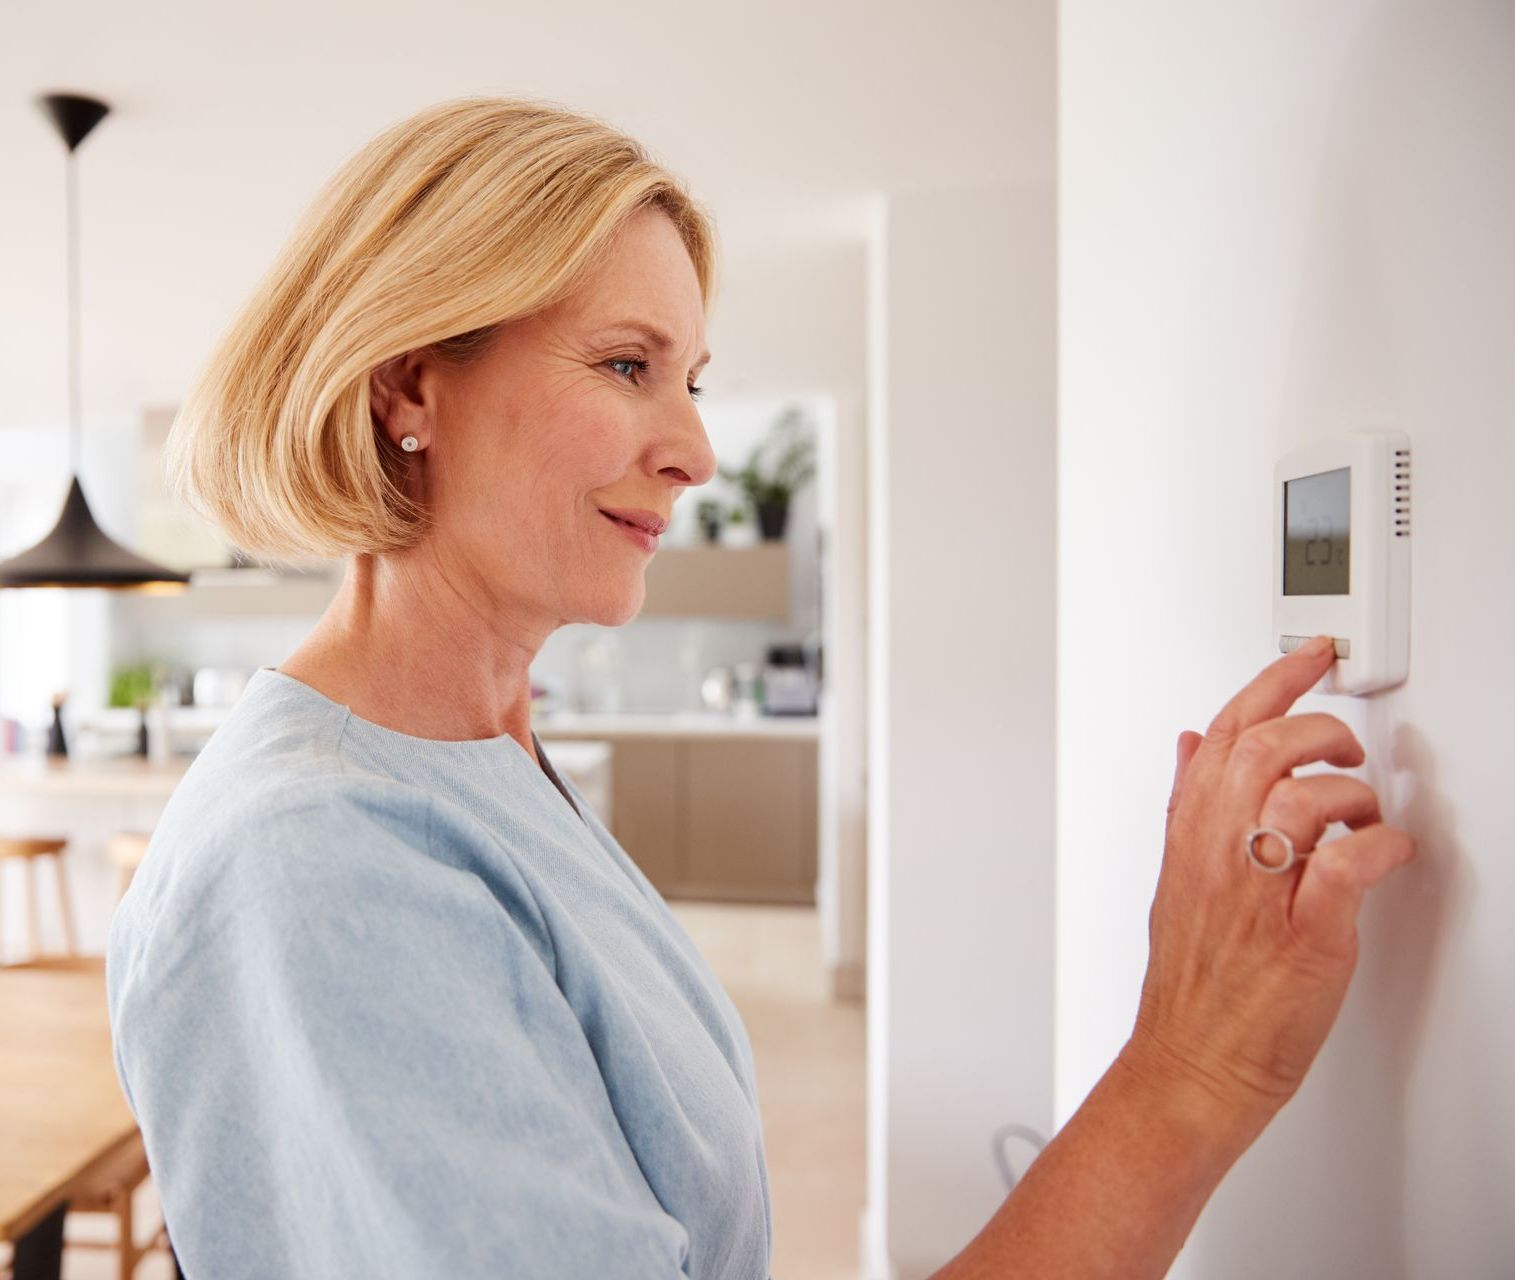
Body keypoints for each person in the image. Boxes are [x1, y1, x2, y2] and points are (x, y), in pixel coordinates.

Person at [106, 96, 1415, 1280]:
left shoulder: (480, 755)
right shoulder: (325, 860)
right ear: (409, 388)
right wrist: (1189, 1072)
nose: (694, 450)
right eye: (627, 366)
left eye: (692, 379)